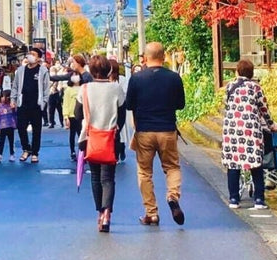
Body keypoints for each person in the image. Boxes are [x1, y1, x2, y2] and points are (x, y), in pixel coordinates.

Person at [122, 41, 186, 226]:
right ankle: (172, 196)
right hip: (167, 129)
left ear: (145, 57)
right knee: (172, 167)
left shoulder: (137, 78)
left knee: (144, 173)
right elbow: (180, 105)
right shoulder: (174, 78)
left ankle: (151, 213)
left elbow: (129, 105)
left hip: (144, 131)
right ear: (164, 56)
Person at [79, 55, 124, 232]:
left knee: (95, 177)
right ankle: (107, 214)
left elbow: (77, 112)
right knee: (108, 178)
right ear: (109, 70)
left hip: (90, 137)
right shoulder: (116, 88)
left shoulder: (85, 89)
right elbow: (121, 113)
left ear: (91, 70)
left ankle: (99, 212)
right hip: (110, 137)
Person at [221, 59, 271, 209]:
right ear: (252, 73)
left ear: (237, 71)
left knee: (233, 164)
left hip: (232, 130)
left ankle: (234, 199)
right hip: (250, 130)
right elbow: (264, 109)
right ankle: (259, 200)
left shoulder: (230, 86)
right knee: (255, 163)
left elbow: (226, 105)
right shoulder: (256, 88)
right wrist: (271, 124)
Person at [11, 48, 50, 163]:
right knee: (21, 127)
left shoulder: (43, 71)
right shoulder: (21, 70)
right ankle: (26, 149)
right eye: (29, 54)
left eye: (33, 54)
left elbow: (46, 88)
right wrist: (13, 99)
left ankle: (35, 153)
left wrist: (43, 102)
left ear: (38, 58)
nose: (30, 56)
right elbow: (15, 86)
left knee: (36, 130)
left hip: (36, 105)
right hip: (23, 103)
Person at [62, 73, 82, 160]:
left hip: (82, 115)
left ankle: (82, 151)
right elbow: (65, 103)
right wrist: (66, 116)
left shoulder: (83, 88)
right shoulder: (68, 90)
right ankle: (72, 151)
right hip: (72, 115)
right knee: (72, 134)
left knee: (81, 134)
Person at [0, 92, 17, 164]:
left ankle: (12, 154)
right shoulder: (0, 106)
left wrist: (14, 108)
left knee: (11, 141)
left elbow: (15, 114)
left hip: (10, 125)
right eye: (3, 97)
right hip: (3, 126)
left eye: (7, 97)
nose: (5, 98)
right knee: (1, 141)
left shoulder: (12, 105)